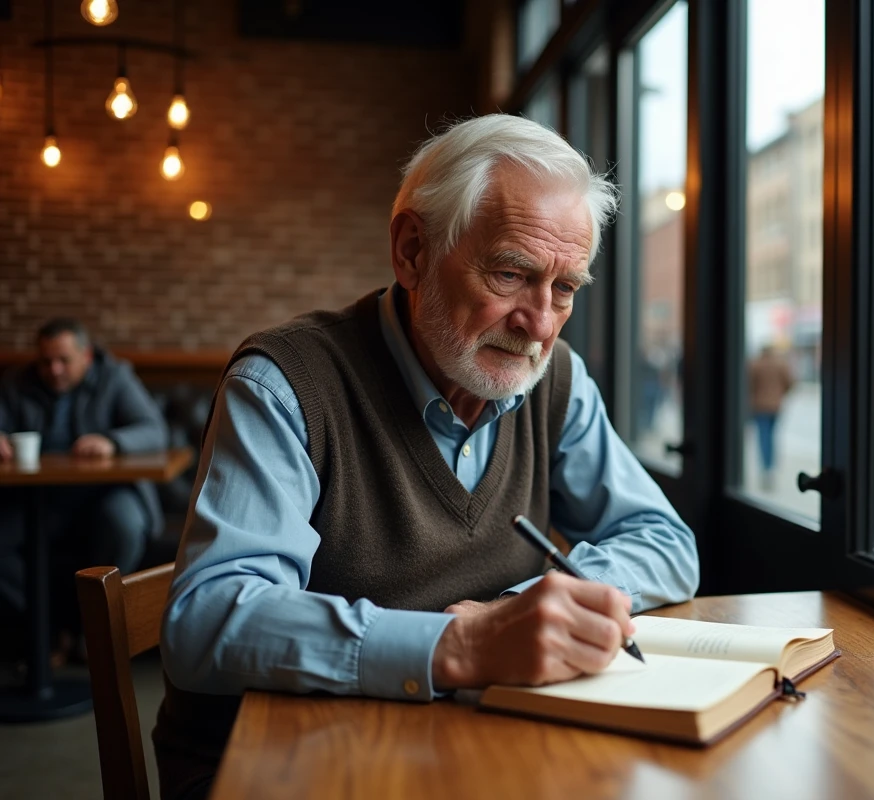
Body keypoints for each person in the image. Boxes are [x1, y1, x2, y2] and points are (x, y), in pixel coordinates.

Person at [152, 115, 700, 800]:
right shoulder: (285, 383)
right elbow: (207, 621)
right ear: (412, 251)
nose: (539, 324)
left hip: (471, 743)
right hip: (281, 764)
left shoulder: (555, 378)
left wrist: (515, 611)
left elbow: (664, 542)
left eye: (565, 289)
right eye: (511, 273)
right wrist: (461, 647)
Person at [0, 318, 167, 656]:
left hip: (106, 493)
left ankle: (91, 630)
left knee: (124, 524)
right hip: (39, 497)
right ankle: (47, 628)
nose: (54, 369)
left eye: (64, 360)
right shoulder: (17, 381)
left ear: (87, 356)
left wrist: (112, 441)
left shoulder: (116, 377)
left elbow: (154, 430)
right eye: (46, 361)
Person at [747, 343, 795, 490]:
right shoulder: (780, 364)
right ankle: (770, 467)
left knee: (764, 437)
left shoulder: (755, 364)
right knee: (772, 436)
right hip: (775, 407)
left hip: (759, 406)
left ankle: (767, 468)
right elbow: (790, 383)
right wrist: (779, 395)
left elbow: (748, 385)